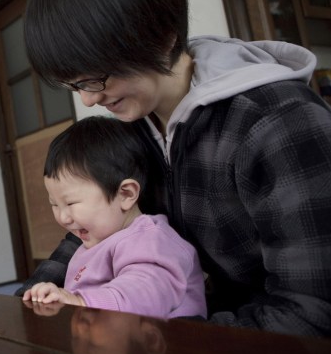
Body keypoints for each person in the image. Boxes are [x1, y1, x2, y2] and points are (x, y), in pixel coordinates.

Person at [19, 0, 331, 336]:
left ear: (163, 36)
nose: (89, 101)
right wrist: (32, 302)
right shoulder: (134, 126)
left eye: (96, 79)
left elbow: (315, 310)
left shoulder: (278, 123)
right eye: (76, 85)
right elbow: (93, 230)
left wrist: (178, 345)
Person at [22, 116, 206, 319]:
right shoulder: (95, 241)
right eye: (54, 204)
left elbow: (143, 292)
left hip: (169, 344)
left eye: (71, 203)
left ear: (126, 194)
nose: (63, 218)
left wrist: (82, 302)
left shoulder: (150, 239)